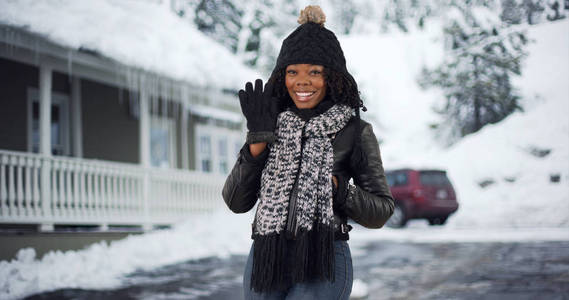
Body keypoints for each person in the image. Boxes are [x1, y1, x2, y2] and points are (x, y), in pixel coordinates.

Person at [222, 5, 394, 300]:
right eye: (293, 72)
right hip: (267, 256)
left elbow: (381, 211)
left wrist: (339, 190)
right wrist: (256, 144)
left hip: (324, 257)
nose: (302, 81)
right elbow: (236, 202)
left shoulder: (355, 131)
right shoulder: (269, 126)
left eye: (315, 72)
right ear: (282, 77)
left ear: (333, 78)